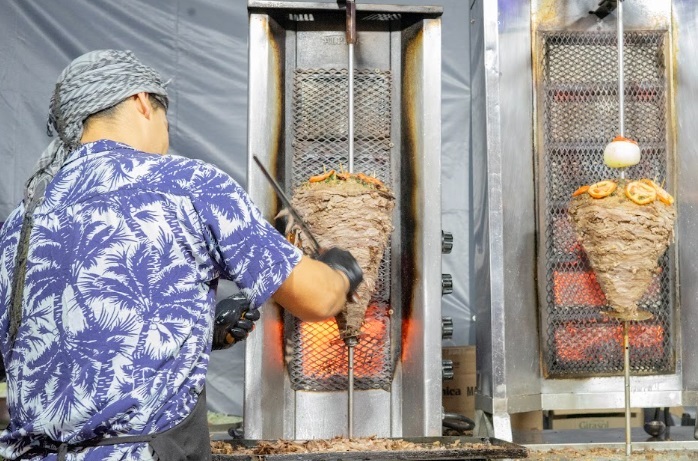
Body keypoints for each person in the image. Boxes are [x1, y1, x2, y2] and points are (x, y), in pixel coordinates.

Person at [0, 50, 363, 460]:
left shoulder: (22, 219)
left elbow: (54, 336)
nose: (166, 139)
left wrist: (194, 331)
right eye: (166, 121)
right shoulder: (188, 184)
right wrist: (341, 271)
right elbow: (317, 299)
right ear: (141, 101)